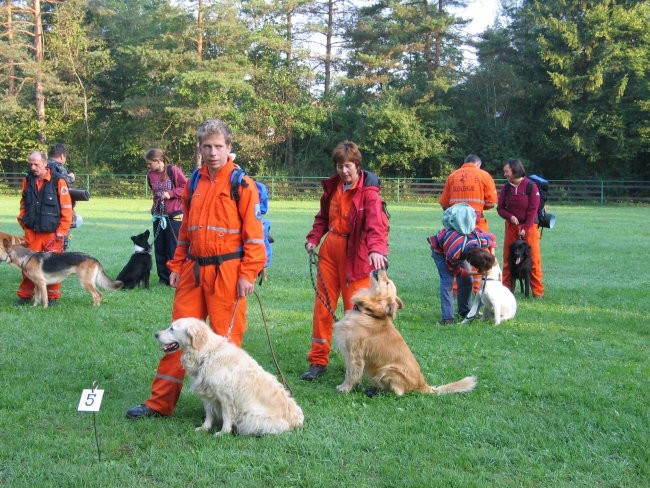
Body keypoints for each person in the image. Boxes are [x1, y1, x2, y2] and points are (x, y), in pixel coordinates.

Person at [126, 119, 267, 419]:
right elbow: (186, 230)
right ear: (200, 149)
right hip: (193, 269)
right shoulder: (193, 181)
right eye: (207, 146)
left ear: (229, 148)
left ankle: (231, 409)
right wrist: (176, 265)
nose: (213, 152)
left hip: (228, 272)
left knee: (226, 344)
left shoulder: (242, 184)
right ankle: (159, 404)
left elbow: (255, 237)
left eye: (219, 146)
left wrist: (247, 274)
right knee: (176, 335)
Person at [302, 141, 390, 381]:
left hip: (357, 255)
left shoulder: (369, 194)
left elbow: (376, 225)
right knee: (323, 307)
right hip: (330, 251)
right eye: (340, 166)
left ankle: (357, 360)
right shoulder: (332, 188)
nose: (344, 171)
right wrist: (314, 238)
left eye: (348, 165)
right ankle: (318, 360)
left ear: (357, 165)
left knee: (356, 313)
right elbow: (322, 217)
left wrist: (377, 249)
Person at [14, 151, 73, 307]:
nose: (32, 167)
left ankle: (53, 297)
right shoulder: (27, 180)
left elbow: (67, 209)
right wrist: (23, 222)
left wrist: (61, 232)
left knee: (54, 266)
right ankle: (25, 295)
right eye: (30, 164)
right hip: (32, 232)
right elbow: (23, 203)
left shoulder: (58, 181)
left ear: (45, 164)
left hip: (52, 234)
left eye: (36, 164)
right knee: (27, 266)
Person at [439, 154, 498, 293]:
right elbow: (492, 202)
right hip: (477, 222)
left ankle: (455, 289)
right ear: (478, 164)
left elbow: (444, 203)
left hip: (455, 225)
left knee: (456, 254)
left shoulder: (453, 176)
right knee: (481, 254)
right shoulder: (484, 175)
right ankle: (479, 288)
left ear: (464, 163)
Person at [428, 222, 496, 325]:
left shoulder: (481, 240)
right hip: (441, 250)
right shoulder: (454, 253)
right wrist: (473, 273)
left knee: (467, 281)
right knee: (447, 282)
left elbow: (492, 238)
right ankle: (447, 319)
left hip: (462, 246)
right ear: (469, 260)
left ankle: (465, 311)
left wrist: (493, 257)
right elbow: (456, 271)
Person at [497, 158, 544, 299]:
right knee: (508, 258)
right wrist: (510, 216)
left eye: (507, 171)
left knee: (533, 259)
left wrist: (526, 227)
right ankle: (506, 290)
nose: (505, 174)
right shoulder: (506, 188)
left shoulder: (531, 186)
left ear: (515, 170)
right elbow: (500, 209)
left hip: (530, 227)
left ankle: (538, 292)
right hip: (511, 227)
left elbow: (533, 210)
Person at [145, 148, 188, 285]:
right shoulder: (150, 174)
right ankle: (163, 278)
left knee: (173, 247)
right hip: (158, 214)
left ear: (158, 161)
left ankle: (176, 277)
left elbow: (186, 187)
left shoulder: (173, 171)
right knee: (160, 247)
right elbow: (154, 192)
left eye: (150, 163)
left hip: (174, 214)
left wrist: (171, 194)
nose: (148, 166)